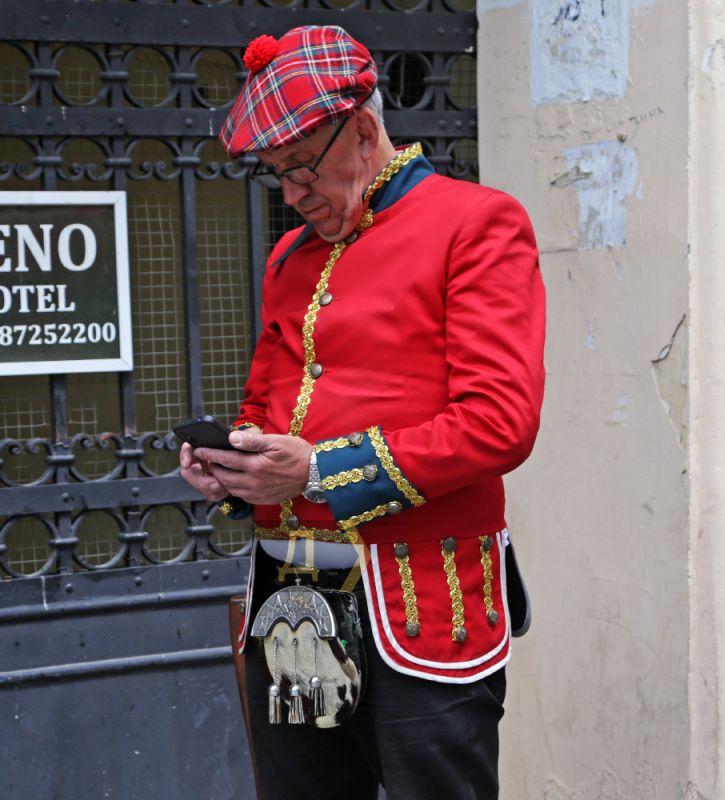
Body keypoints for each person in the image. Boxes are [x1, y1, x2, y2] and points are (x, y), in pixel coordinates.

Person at [179, 24, 546, 800]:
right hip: (298, 604)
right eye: (275, 174)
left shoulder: (476, 223)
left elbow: (500, 421)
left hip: (422, 603)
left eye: (302, 168)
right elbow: (266, 402)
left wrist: (316, 470)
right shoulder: (291, 259)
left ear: (366, 128)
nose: (291, 193)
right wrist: (236, 461)